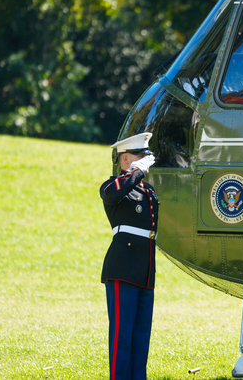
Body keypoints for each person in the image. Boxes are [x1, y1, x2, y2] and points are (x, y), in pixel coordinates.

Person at [100, 132, 158, 380]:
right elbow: (113, 193)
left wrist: (138, 176)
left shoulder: (147, 191)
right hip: (122, 269)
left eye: (146, 156)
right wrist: (134, 174)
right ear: (125, 159)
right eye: (139, 156)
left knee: (141, 335)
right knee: (122, 336)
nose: (145, 161)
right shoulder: (113, 186)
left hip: (145, 270)